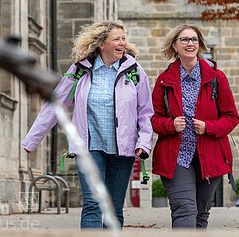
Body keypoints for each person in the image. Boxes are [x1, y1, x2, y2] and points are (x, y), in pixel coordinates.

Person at [21, 20, 154, 229]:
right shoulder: (80, 69)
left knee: (113, 208)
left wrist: (144, 143)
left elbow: (146, 112)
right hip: (90, 147)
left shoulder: (134, 71)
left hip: (124, 149)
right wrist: (31, 141)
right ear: (101, 43)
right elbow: (54, 105)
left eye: (123, 38)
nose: (122, 43)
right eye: (116, 39)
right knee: (93, 204)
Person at [151, 24, 239, 229]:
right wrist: (171, 124)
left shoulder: (216, 78)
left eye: (194, 40)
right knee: (184, 209)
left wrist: (208, 127)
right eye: (184, 39)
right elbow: (155, 119)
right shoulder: (164, 81)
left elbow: (231, 117)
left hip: (210, 155)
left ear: (199, 45)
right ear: (175, 45)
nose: (190, 43)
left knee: (201, 213)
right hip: (177, 156)